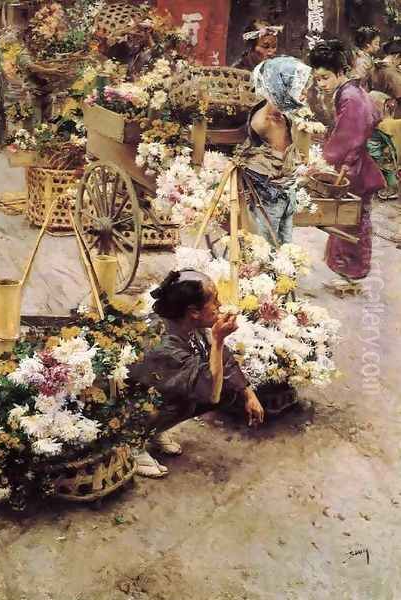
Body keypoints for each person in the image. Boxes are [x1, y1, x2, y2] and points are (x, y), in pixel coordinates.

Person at [129, 270, 264, 478]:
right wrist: (218, 340)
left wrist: (249, 394)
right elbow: (211, 393)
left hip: (156, 392)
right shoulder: (163, 344)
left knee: (230, 389)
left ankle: (153, 431)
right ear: (193, 311)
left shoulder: (185, 323)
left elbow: (222, 360)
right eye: (215, 300)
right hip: (127, 407)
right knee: (205, 394)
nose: (219, 305)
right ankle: (132, 442)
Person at [309, 40, 385, 282]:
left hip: (353, 164)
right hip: (353, 159)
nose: (320, 84)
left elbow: (348, 136)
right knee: (348, 216)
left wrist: (324, 159)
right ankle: (346, 264)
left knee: (350, 216)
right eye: (317, 79)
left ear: (340, 72)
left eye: (324, 78)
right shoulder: (350, 91)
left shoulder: (351, 96)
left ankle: (352, 268)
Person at [235, 56, 312, 245]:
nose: (304, 95)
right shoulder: (267, 122)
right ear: (281, 88)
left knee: (283, 242)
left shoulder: (281, 115)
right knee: (267, 244)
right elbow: (284, 158)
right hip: (268, 195)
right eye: (299, 89)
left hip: (282, 193)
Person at [367, 91, 399, 200]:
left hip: (382, 153)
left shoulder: (385, 125)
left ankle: (392, 190)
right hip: (375, 151)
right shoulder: (376, 124)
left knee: (387, 169)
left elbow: (388, 141)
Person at [371, 38, 401, 116]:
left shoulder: (374, 68)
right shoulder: (392, 74)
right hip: (389, 116)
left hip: (372, 113)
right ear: (397, 56)